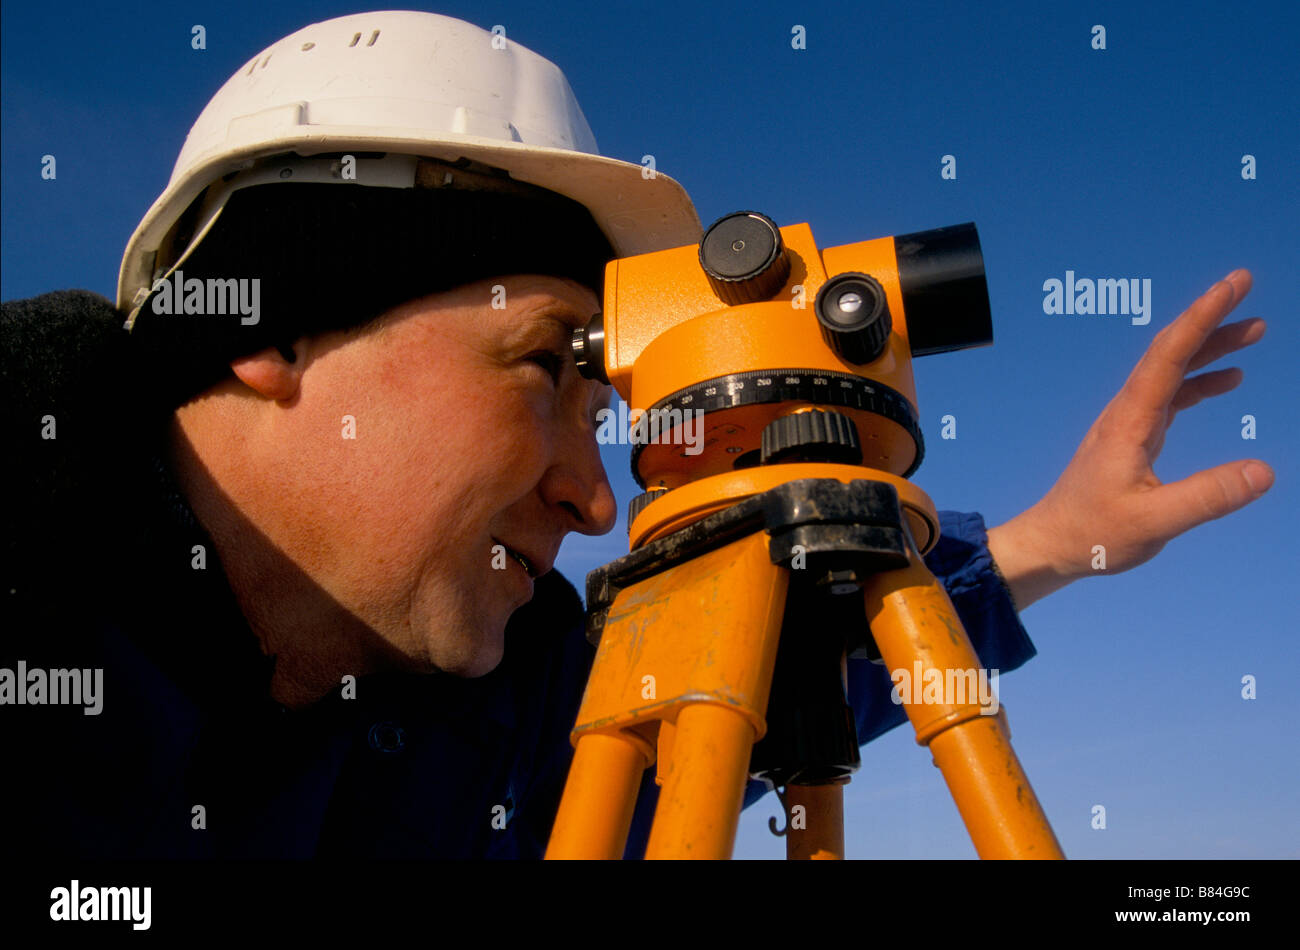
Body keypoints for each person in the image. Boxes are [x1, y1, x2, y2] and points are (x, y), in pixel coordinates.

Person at [0, 11, 1272, 860]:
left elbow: (787, 670)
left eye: (603, 406)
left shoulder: (516, 702)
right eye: (546, 367)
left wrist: (1060, 537)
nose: (594, 496)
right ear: (273, 328)